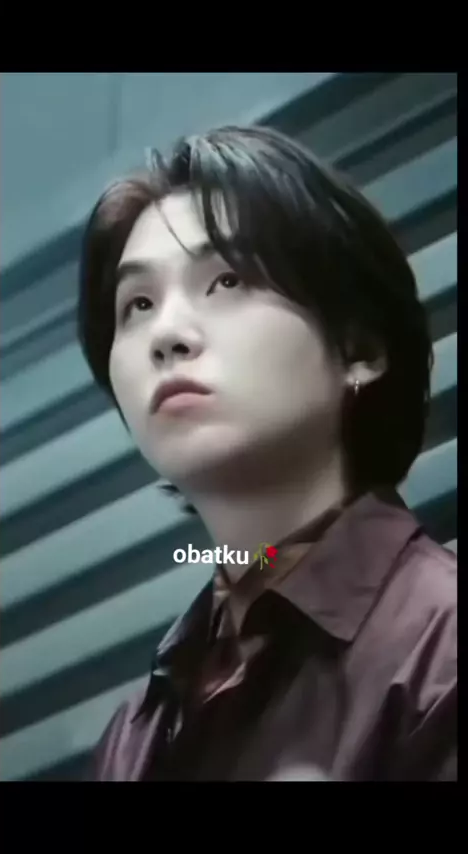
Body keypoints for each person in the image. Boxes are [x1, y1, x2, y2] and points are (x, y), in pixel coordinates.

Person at [78, 125, 457, 781]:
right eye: (136, 303)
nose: (165, 334)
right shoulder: (132, 741)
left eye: (226, 281)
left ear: (359, 348)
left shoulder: (442, 648)